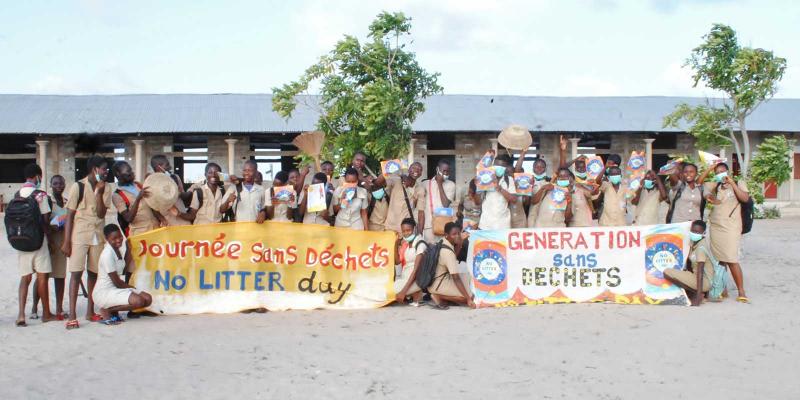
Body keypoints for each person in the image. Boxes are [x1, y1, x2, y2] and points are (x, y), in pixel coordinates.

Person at [62, 155, 113, 328]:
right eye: (104, 168)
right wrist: (66, 242)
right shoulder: (78, 186)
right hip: (79, 236)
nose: (106, 172)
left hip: (97, 236)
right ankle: (72, 315)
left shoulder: (107, 188)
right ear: (94, 169)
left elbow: (101, 214)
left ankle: (90, 311)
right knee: (76, 274)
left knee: (94, 274)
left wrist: (99, 192)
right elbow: (69, 215)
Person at [699, 162, 751, 303]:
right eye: (717, 172)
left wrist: (732, 184)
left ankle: (741, 290)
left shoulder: (739, 183)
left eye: (722, 171)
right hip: (716, 226)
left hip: (732, 227)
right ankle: (723, 288)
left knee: (732, 258)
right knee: (720, 259)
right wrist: (709, 168)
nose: (719, 174)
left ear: (728, 172)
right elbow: (699, 182)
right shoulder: (713, 185)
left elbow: (745, 198)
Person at [15, 164, 54, 326]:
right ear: (37, 176)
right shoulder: (40, 194)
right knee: (42, 276)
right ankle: (46, 313)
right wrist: (50, 237)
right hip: (38, 241)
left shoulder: (18, 194)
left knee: (25, 278)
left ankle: (21, 315)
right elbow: (45, 220)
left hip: (21, 241)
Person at [93, 224, 153, 325]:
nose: (118, 240)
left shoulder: (118, 249)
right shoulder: (107, 254)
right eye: (114, 238)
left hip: (115, 289)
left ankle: (113, 310)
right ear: (107, 239)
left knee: (148, 299)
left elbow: (123, 270)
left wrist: (129, 249)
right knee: (139, 301)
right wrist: (134, 289)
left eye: (120, 236)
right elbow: (117, 283)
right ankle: (107, 310)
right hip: (104, 292)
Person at [32, 175, 68, 320]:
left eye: (61, 183)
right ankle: (34, 307)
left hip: (62, 244)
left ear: (65, 184)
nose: (59, 185)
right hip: (47, 244)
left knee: (60, 276)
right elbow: (43, 222)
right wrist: (53, 226)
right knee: (42, 277)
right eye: (55, 183)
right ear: (51, 185)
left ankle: (59, 307)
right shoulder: (47, 200)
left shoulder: (67, 202)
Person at [664, 220, 714, 307]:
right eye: (693, 231)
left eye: (697, 232)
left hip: (704, 282)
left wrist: (698, 297)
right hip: (698, 277)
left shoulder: (701, 247)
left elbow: (700, 272)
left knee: (666, 272)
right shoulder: (694, 242)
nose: (694, 233)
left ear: (704, 233)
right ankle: (698, 293)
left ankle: (698, 294)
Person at [427, 223, 475, 309]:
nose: (457, 236)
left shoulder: (444, 241)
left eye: (458, 233)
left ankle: (446, 298)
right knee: (469, 296)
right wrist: (468, 299)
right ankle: (438, 296)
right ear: (446, 235)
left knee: (469, 278)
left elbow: (453, 256)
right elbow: (456, 278)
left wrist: (460, 243)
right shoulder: (447, 253)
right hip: (439, 284)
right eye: (454, 234)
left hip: (437, 279)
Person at [374, 162, 424, 234]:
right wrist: (386, 171)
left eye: (419, 169)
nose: (416, 170)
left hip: (407, 229)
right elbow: (377, 183)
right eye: (414, 168)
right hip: (391, 227)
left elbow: (421, 213)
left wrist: (420, 232)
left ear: (421, 173)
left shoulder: (420, 189)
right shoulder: (396, 180)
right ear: (409, 170)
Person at [112, 161, 158, 237]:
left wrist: (162, 219)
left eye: (131, 170)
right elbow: (128, 218)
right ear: (118, 174)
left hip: (155, 228)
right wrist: (138, 199)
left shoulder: (138, 184)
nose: (131, 173)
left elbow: (151, 205)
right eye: (128, 171)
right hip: (140, 234)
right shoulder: (117, 195)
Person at [557, 135, 594, 227]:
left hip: (586, 219)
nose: (581, 169)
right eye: (578, 167)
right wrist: (564, 151)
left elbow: (593, 193)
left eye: (583, 167)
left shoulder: (591, 178)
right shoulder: (572, 177)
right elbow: (563, 168)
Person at [417, 159, 457, 242]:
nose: (446, 173)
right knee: (430, 252)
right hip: (428, 226)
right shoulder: (425, 184)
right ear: (437, 169)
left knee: (443, 251)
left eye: (448, 171)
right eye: (444, 171)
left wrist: (439, 183)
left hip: (444, 225)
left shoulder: (451, 185)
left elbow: (445, 204)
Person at [151, 155, 192, 226]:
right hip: (167, 221)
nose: (170, 167)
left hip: (182, 216)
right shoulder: (152, 182)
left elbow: (183, 195)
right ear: (158, 167)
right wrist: (162, 220)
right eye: (167, 165)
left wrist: (188, 192)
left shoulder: (175, 177)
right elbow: (152, 205)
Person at [479, 153, 517, 230]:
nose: (498, 168)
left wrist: (500, 189)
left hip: (503, 224)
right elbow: (477, 202)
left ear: (506, 168)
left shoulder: (509, 180)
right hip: (485, 224)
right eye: (496, 166)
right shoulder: (485, 178)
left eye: (501, 166)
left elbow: (514, 200)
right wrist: (478, 188)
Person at [393, 218, 426, 305]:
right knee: (390, 288)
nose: (406, 233)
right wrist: (395, 245)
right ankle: (415, 294)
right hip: (406, 278)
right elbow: (397, 262)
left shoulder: (420, 244)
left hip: (416, 280)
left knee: (392, 291)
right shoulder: (407, 245)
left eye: (408, 230)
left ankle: (415, 292)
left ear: (414, 229)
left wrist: (403, 292)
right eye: (403, 231)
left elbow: (416, 270)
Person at [526, 158, 550, 228]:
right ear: (533, 168)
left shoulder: (550, 181)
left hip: (547, 216)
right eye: (537, 167)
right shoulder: (528, 181)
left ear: (545, 168)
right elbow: (527, 202)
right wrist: (530, 186)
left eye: (542, 167)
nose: (539, 169)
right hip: (533, 215)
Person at [508, 150, 528, 228]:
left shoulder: (520, 184)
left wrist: (523, 153)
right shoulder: (502, 184)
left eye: (511, 173)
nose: (510, 175)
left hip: (520, 220)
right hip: (506, 221)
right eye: (507, 173)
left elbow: (526, 204)